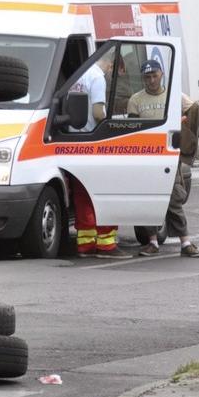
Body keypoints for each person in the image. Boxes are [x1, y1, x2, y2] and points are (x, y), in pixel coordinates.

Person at [139, 83, 199, 258]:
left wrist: (184, 133)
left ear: (161, 75)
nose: (152, 80)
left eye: (154, 75)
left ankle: (185, 243)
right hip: (147, 156)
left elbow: (196, 110)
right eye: (148, 77)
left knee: (174, 197)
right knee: (150, 200)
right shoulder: (136, 99)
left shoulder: (174, 95)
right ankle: (152, 242)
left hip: (169, 155)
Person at [70, 51, 122, 257]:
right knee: (106, 193)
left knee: (83, 195)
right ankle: (106, 245)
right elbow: (98, 112)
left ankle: (85, 244)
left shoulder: (78, 75)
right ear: (109, 64)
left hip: (74, 143)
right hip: (94, 141)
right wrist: (111, 128)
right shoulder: (97, 77)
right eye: (112, 69)